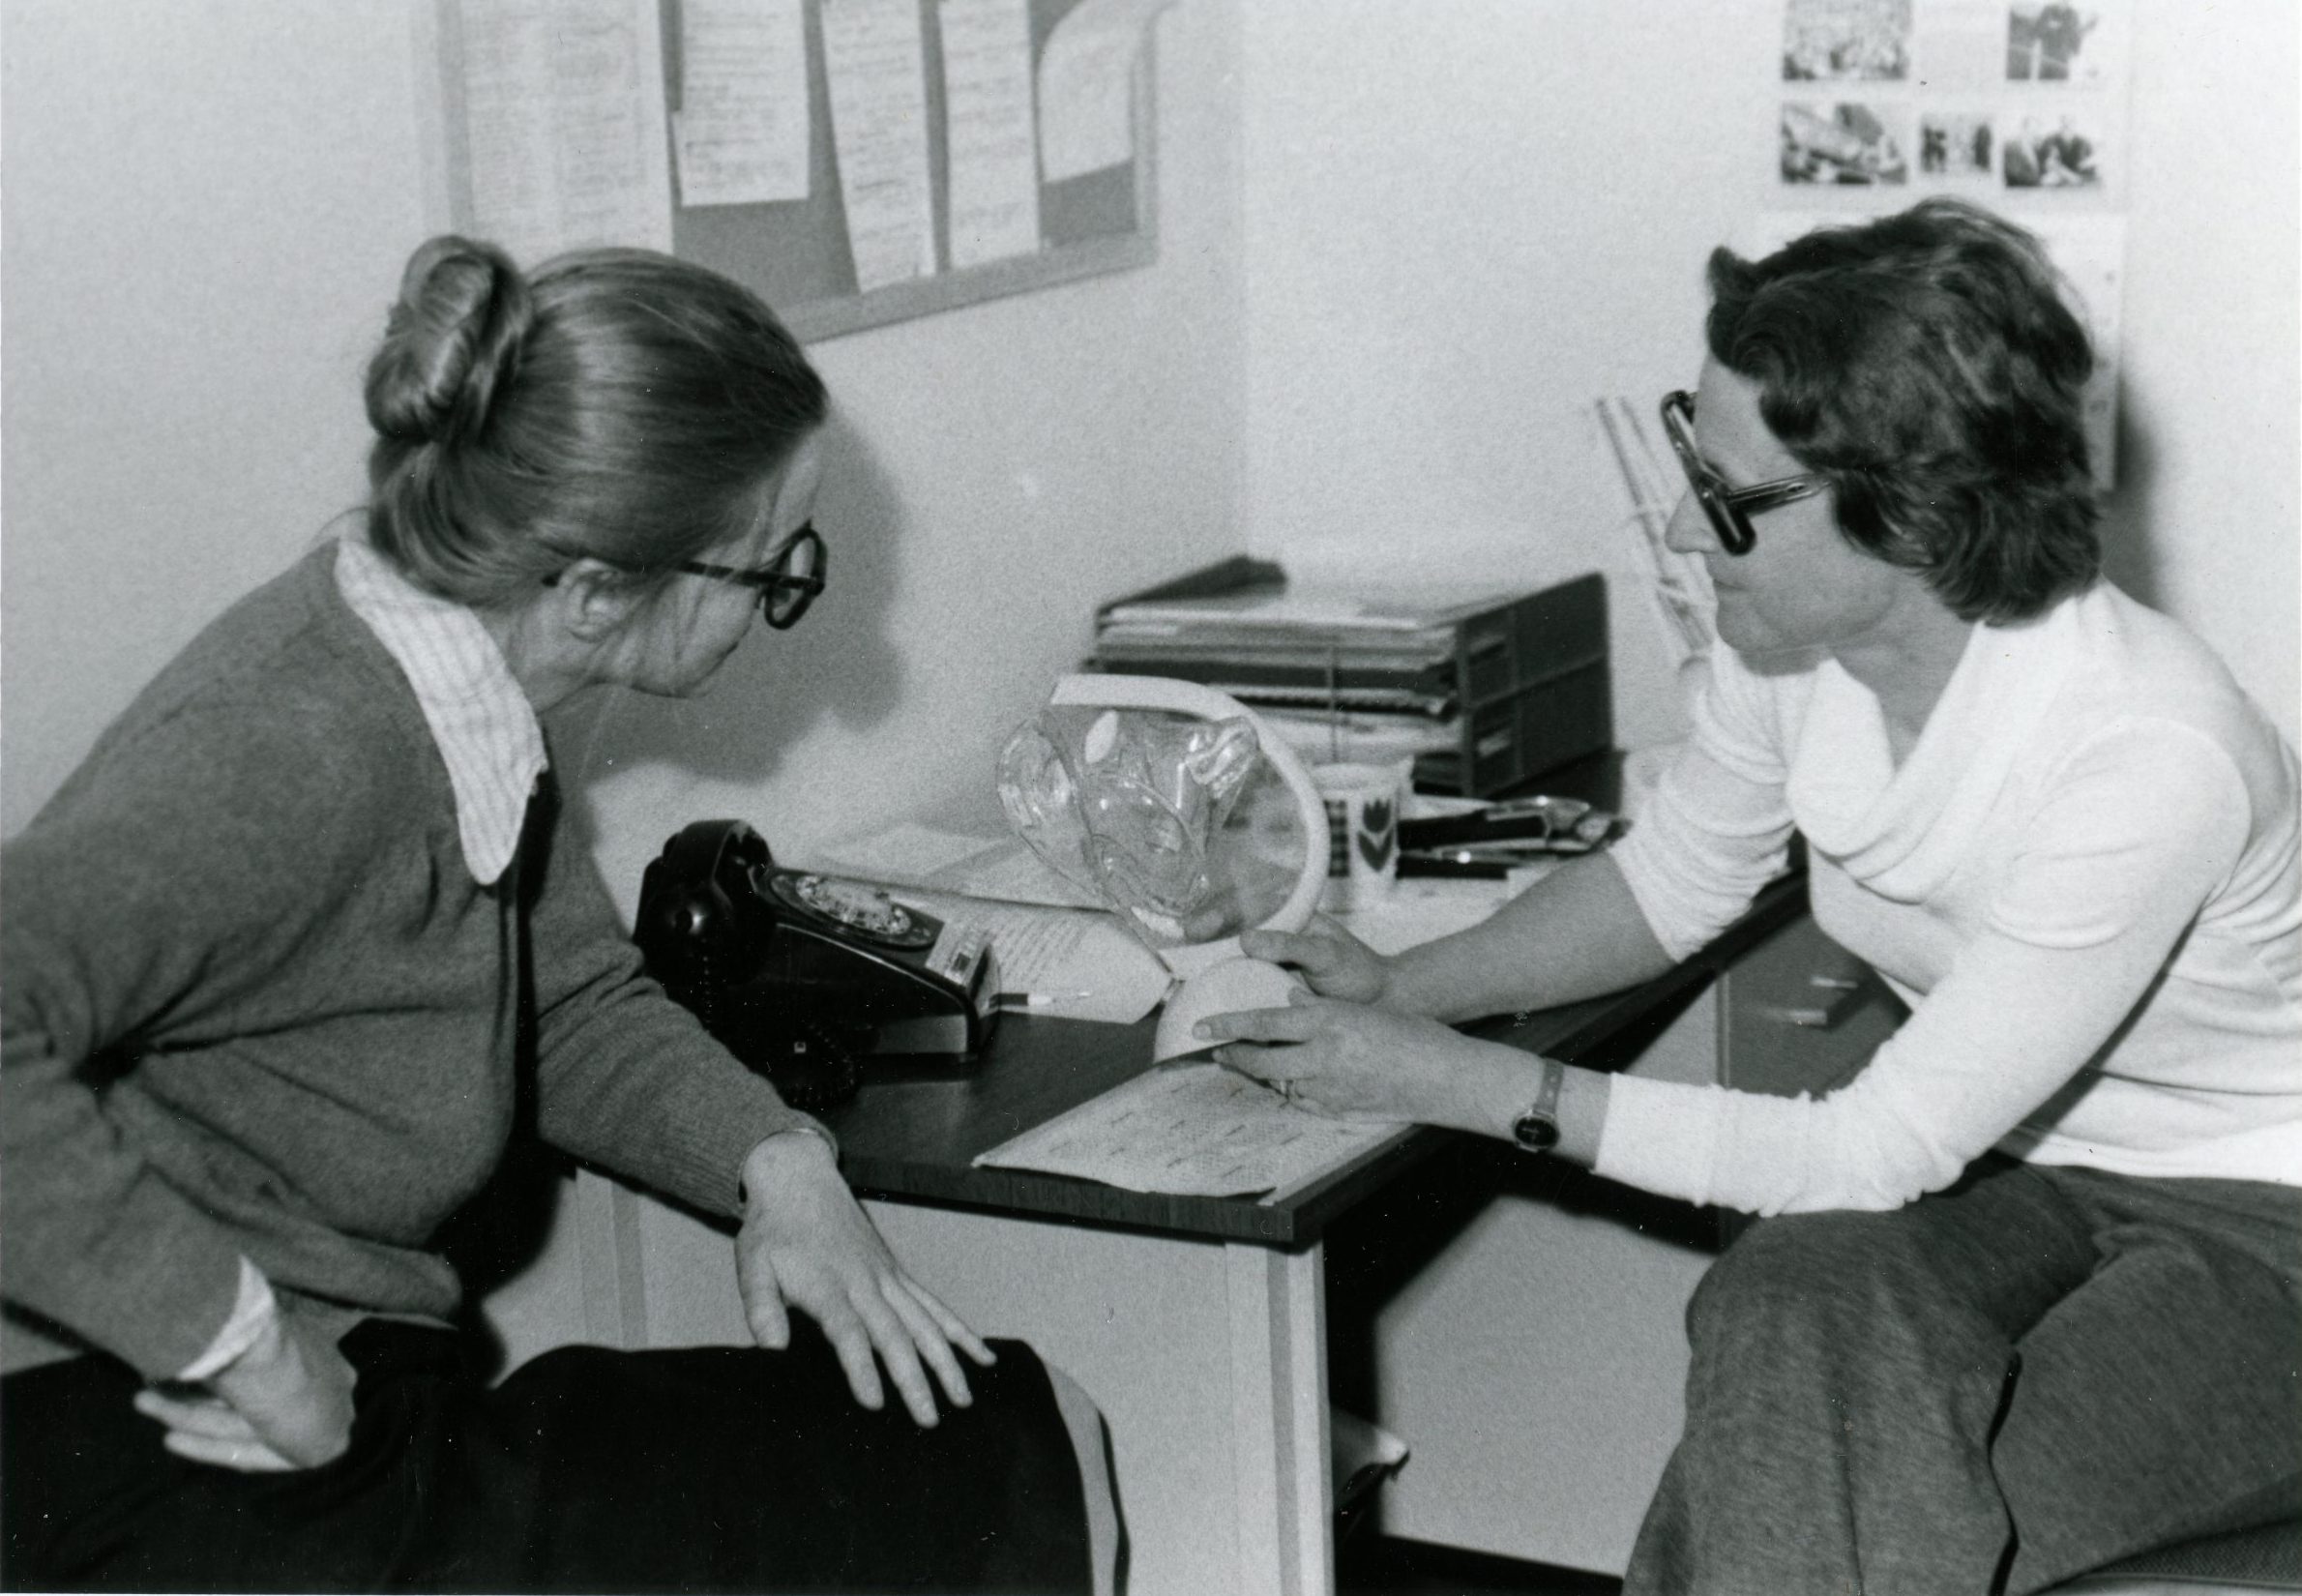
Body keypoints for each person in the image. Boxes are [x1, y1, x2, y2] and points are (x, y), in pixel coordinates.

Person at [1199, 198, 2301, 1595]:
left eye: (1725, 496)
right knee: (1783, 1301)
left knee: (1853, 1499)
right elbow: (1670, 880)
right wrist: (1408, 988)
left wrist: (1469, 1084)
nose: (1679, 525)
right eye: (1690, 457)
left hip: (2268, 1212)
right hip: (2011, 1169)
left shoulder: (2146, 752)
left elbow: (1869, 1152)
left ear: (1914, 513)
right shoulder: (1787, 647)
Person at [1, 236, 1114, 1593]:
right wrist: (250, 1351)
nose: (787, 606)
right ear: (592, 591)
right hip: (143, 1410)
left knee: (1016, 1437)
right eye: (772, 572)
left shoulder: (460, 685)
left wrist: (778, 1161)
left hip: (337, 1360)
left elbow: (564, 1001)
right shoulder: (301, 742)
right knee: (990, 1477)